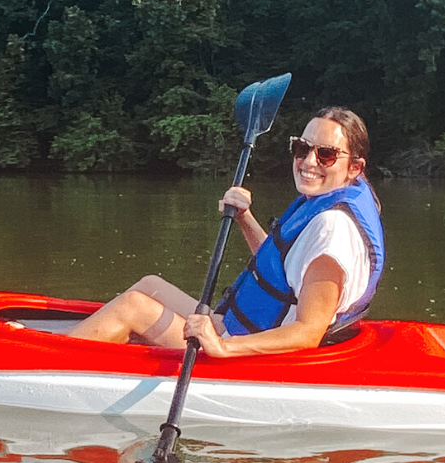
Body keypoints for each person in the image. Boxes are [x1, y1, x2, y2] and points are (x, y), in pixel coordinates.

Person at [68, 107, 384, 356]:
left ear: (355, 167)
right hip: (237, 327)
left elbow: (307, 333)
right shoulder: (325, 201)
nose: (308, 161)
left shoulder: (335, 229)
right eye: (302, 148)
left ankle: (47, 357)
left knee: (133, 308)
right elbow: (283, 271)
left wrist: (221, 347)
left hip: (254, 352)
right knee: (150, 287)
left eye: (326, 154)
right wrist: (245, 218)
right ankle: (75, 342)